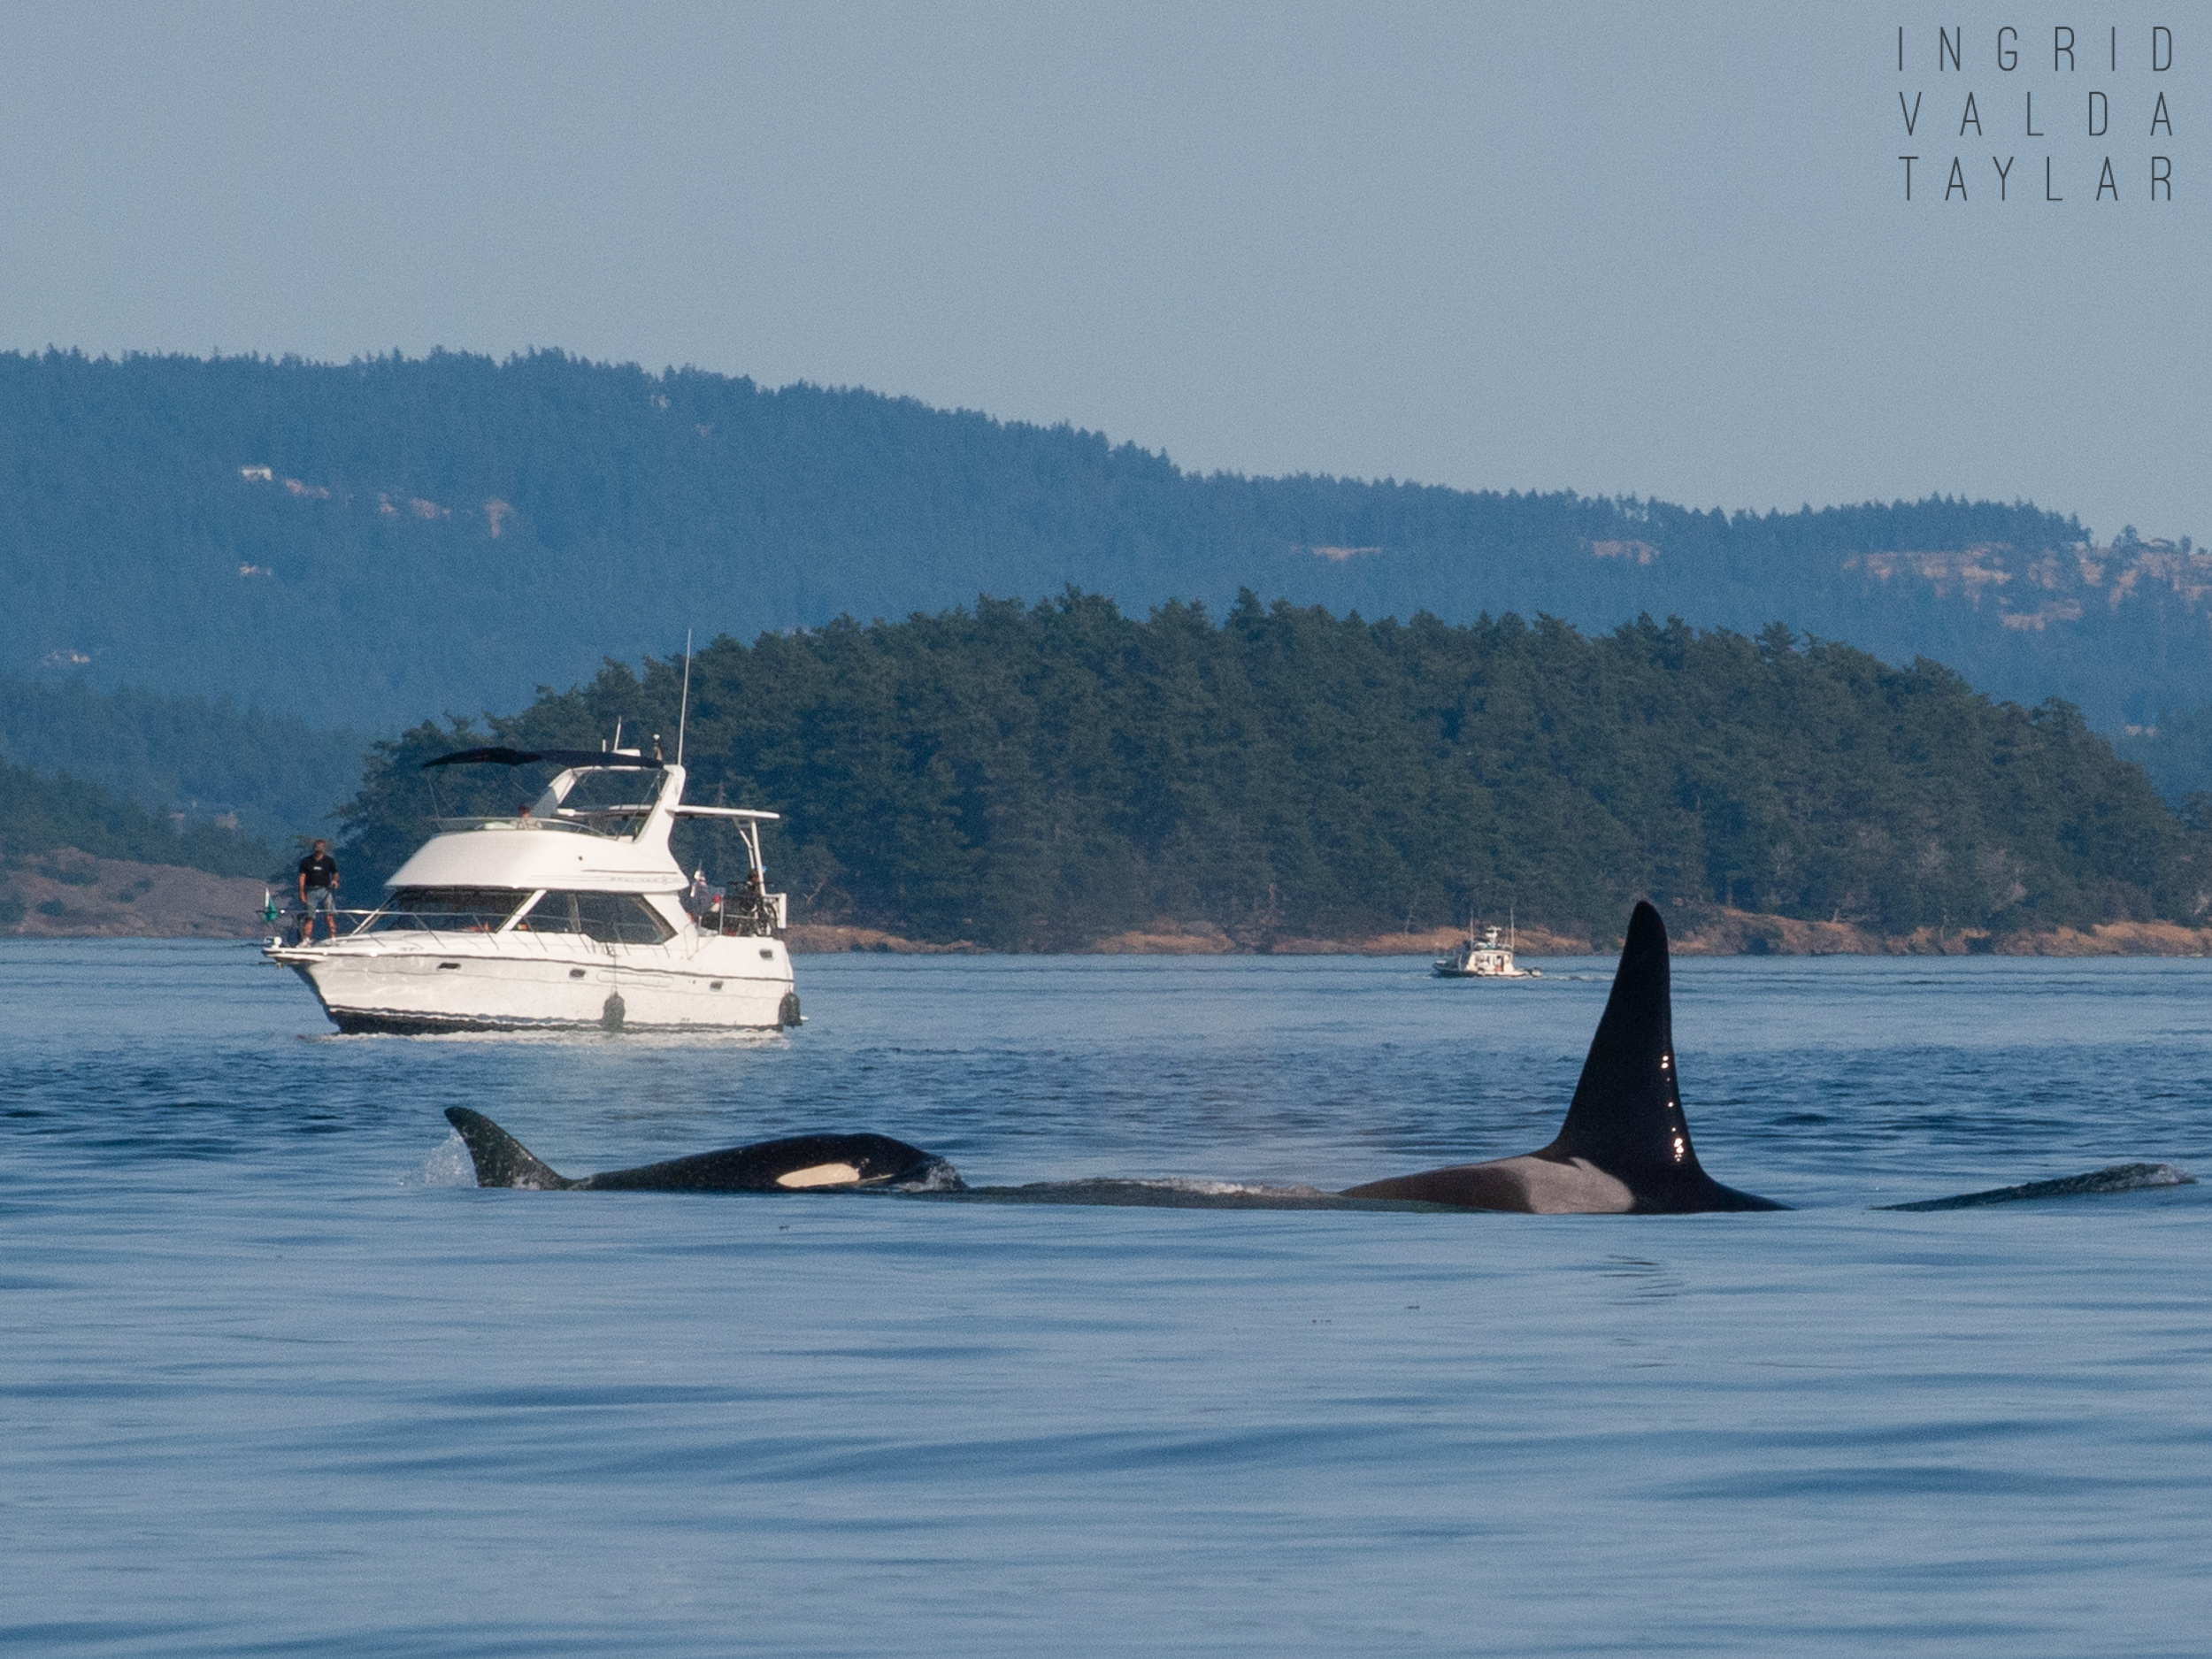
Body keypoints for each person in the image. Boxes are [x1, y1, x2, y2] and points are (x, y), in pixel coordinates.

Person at [297, 839, 341, 943]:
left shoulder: (329, 861)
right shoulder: (306, 861)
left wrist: (335, 881)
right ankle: (306, 940)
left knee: (329, 915)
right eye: (317, 847)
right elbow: (302, 877)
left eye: (321, 847)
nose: (319, 849)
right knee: (309, 916)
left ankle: (333, 938)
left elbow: (335, 873)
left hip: (325, 890)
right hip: (312, 890)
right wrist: (301, 892)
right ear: (314, 848)